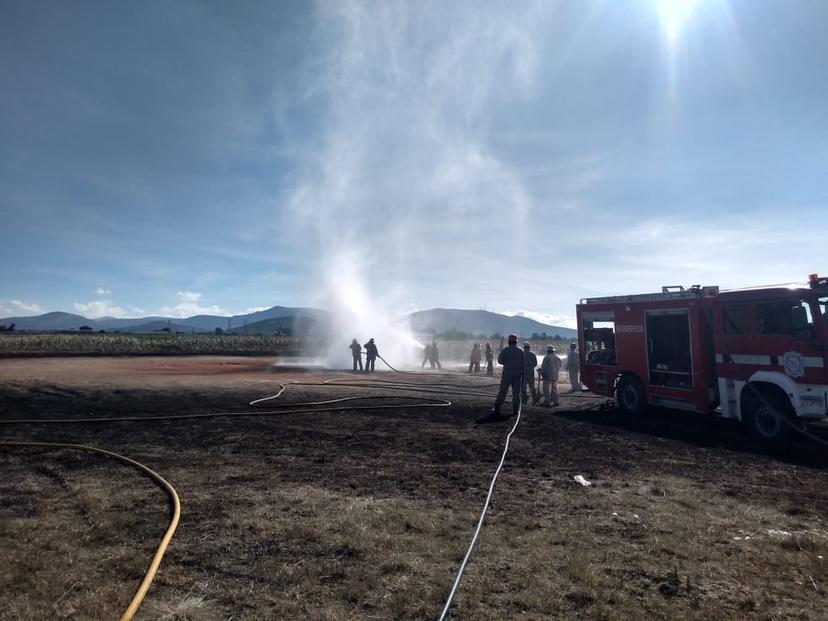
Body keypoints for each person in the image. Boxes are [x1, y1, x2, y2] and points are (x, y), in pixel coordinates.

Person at [490, 334, 524, 419]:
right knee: (516, 392)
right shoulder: (520, 351)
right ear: (516, 342)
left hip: (507, 372)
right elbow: (524, 363)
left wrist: (507, 362)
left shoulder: (505, 350)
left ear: (509, 341)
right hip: (517, 373)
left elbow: (500, 361)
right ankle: (516, 411)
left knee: (503, 391)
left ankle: (497, 409)